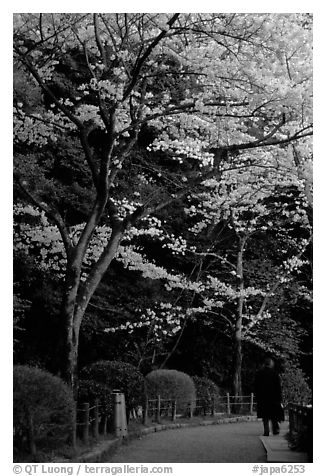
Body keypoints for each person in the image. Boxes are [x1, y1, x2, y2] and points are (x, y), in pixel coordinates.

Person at [254, 357, 283, 436]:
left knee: (265, 415)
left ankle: (266, 431)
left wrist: (257, 396)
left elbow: (256, 386)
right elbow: (278, 387)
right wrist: (280, 398)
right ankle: (275, 429)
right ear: (271, 364)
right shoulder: (275, 374)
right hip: (273, 398)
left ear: (264, 364)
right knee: (274, 415)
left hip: (263, 398)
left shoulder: (259, 373)